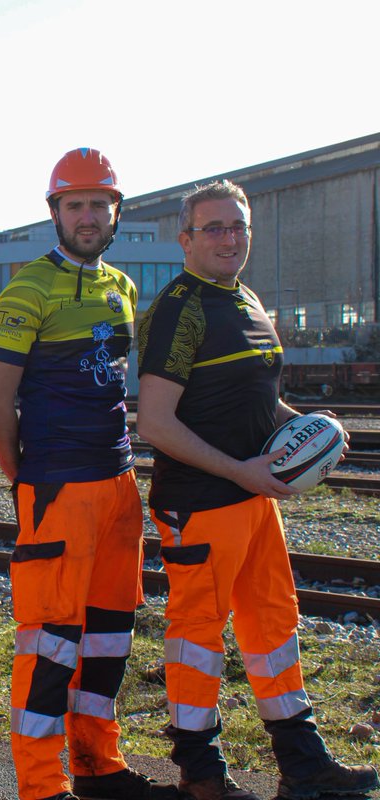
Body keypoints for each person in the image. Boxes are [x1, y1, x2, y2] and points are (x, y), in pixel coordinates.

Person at [136, 179, 379, 800]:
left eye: (238, 227)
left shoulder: (245, 299)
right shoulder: (180, 309)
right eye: (214, 228)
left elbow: (260, 401)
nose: (229, 238)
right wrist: (239, 470)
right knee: (198, 635)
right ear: (186, 239)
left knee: (273, 624)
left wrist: (311, 429)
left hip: (253, 497)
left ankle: (302, 764)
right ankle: (201, 774)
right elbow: (155, 423)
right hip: (201, 501)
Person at [0, 148, 175, 800]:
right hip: (58, 487)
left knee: (109, 637)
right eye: (75, 205)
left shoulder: (122, 288)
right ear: (55, 213)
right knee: (50, 642)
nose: (87, 217)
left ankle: (97, 766)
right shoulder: (28, 288)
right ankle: (41, 784)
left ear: (116, 212)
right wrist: (26, 483)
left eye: (99, 205)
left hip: (118, 485)